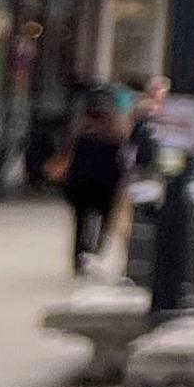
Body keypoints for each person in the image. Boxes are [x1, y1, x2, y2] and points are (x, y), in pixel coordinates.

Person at [60, 93, 131, 277]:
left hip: (81, 184)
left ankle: (79, 256)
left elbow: (72, 158)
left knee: (80, 222)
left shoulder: (80, 133)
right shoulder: (115, 136)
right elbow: (121, 163)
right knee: (105, 222)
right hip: (105, 186)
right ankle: (94, 251)